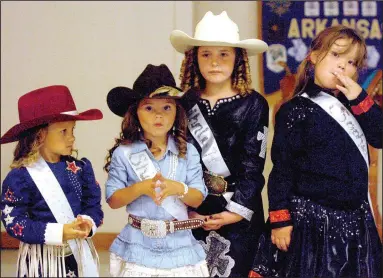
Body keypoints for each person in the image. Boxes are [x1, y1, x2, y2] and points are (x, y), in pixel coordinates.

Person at [249, 25, 382, 278]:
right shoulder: (295, 109)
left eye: (352, 62)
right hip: (311, 224)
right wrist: (280, 220)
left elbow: (379, 136)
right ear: (313, 56)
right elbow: (282, 169)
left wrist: (360, 97)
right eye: (335, 55)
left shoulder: (357, 107)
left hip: (354, 223)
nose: (343, 66)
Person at [170, 11, 269, 277]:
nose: (214, 62)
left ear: (238, 57)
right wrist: (186, 209)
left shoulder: (254, 103)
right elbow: (175, 159)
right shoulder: (183, 102)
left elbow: (253, 164)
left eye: (223, 54)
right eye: (206, 54)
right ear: (194, 58)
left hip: (239, 213)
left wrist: (234, 213)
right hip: (193, 209)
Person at [104, 64, 209, 277]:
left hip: (179, 244)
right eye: (149, 108)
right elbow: (113, 200)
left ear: (177, 113)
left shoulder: (187, 151)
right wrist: (141, 187)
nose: (158, 116)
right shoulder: (124, 153)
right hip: (138, 243)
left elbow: (197, 199)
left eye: (167, 108)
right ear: (135, 113)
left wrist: (177, 188)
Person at [0, 85, 104, 277]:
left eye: (73, 130)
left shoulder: (81, 169)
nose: (72, 137)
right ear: (39, 135)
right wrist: (60, 232)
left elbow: (93, 205)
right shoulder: (20, 178)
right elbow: (14, 221)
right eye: (63, 131)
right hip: (41, 262)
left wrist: (88, 223)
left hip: (78, 255)